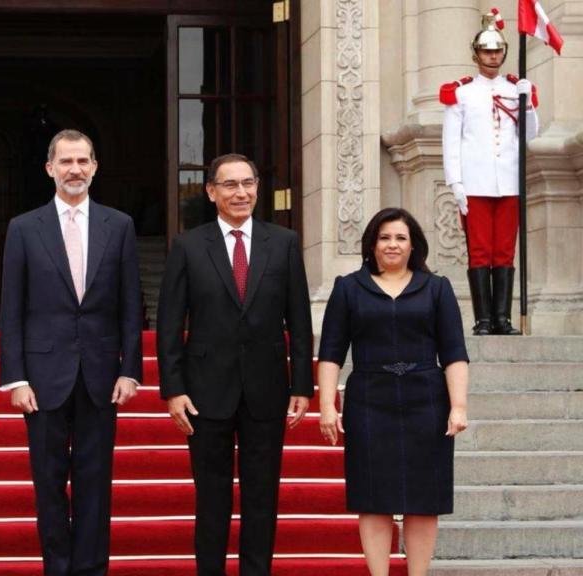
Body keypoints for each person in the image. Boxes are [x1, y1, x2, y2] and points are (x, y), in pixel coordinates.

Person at [157, 153, 314, 576]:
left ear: (257, 188)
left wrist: (302, 385)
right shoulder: (188, 246)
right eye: (230, 185)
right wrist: (173, 389)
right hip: (205, 392)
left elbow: (299, 320)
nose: (241, 192)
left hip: (267, 389)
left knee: (263, 497)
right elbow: (170, 324)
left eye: (248, 183)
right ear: (211, 192)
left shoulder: (282, 243)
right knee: (211, 498)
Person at [0, 129, 143, 576]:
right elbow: (12, 308)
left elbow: (131, 305)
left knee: (95, 484)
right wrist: (16, 378)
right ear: (50, 169)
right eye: (66, 162)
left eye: (82, 161)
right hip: (42, 380)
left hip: (102, 375)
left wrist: (131, 370)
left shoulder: (119, 226)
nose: (74, 170)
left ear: (95, 167)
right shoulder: (23, 228)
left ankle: (91, 569)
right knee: (48, 484)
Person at [318, 208, 470, 576]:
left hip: (427, 401)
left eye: (401, 238)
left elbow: (453, 353)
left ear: (414, 244)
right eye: (384, 237)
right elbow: (331, 352)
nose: (392, 244)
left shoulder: (437, 288)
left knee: (423, 499)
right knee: (373, 498)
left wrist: (459, 406)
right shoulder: (348, 287)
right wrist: (326, 405)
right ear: (372, 243)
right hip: (370, 401)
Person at [441, 7, 538, 335]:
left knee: (504, 252)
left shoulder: (515, 89)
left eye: (497, 50)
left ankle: (503, 319)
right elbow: (451, 142)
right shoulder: (462, 93)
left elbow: (529, 135)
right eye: (487, 50)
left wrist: (528, 103)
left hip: (508, 182)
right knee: (480, 251)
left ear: (504, 53)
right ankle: (483, 319)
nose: (493, 56)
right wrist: (456, 183)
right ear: (476, 53)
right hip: (476, 183)